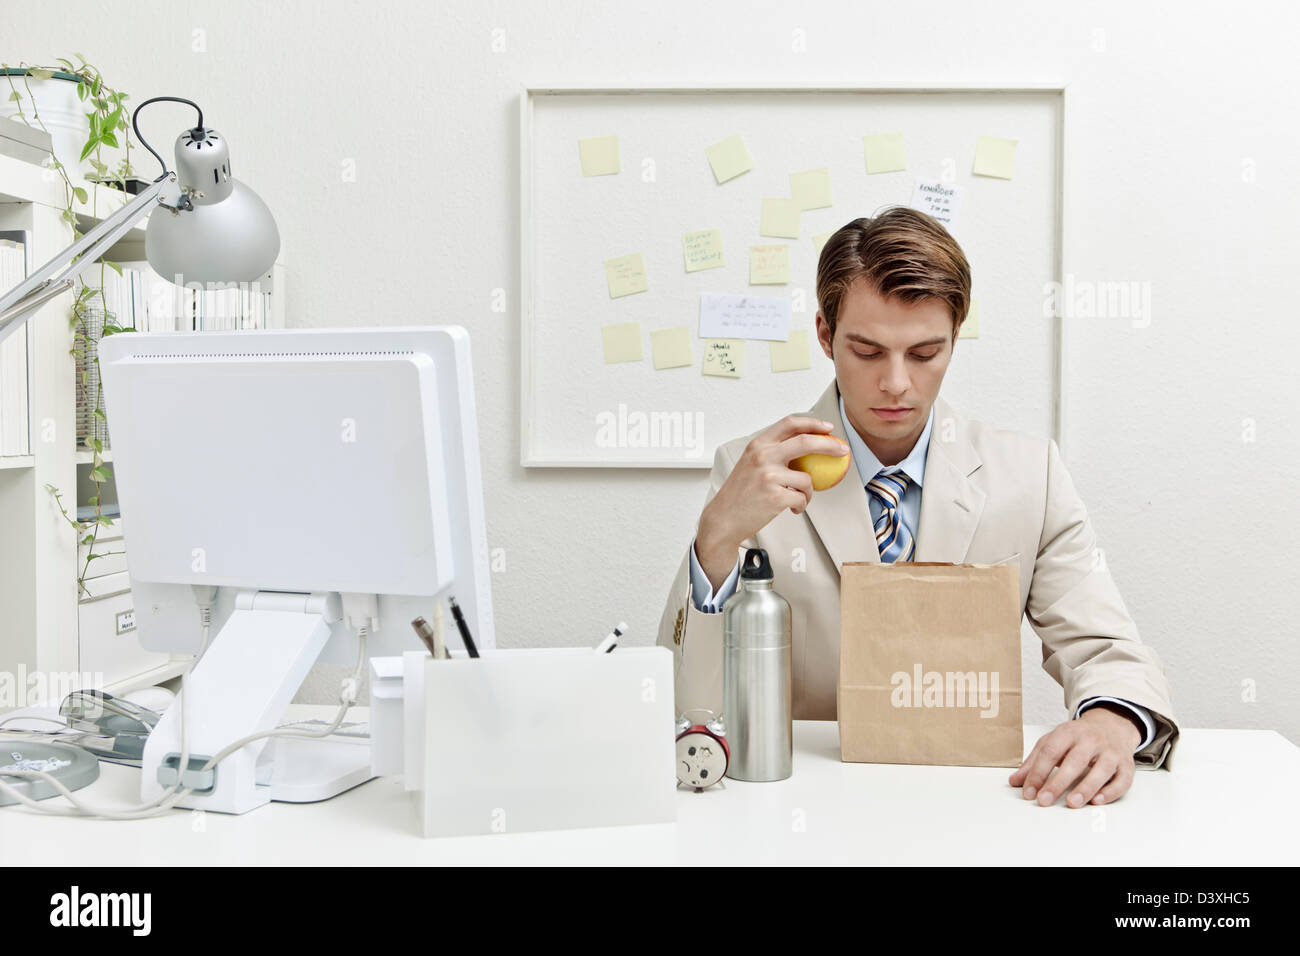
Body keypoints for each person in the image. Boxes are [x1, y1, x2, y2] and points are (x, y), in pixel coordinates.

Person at [655, 206, 1178, 808]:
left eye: (925, 353)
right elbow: (689, 699)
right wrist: (715, 536)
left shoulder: (1029, 475)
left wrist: (1112, 720)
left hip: (971, 802)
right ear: (825, 336)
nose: (897, 384)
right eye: (868, 352)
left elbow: (1105, 647)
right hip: (802, 801)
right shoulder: (749, 471)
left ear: (956, 337)